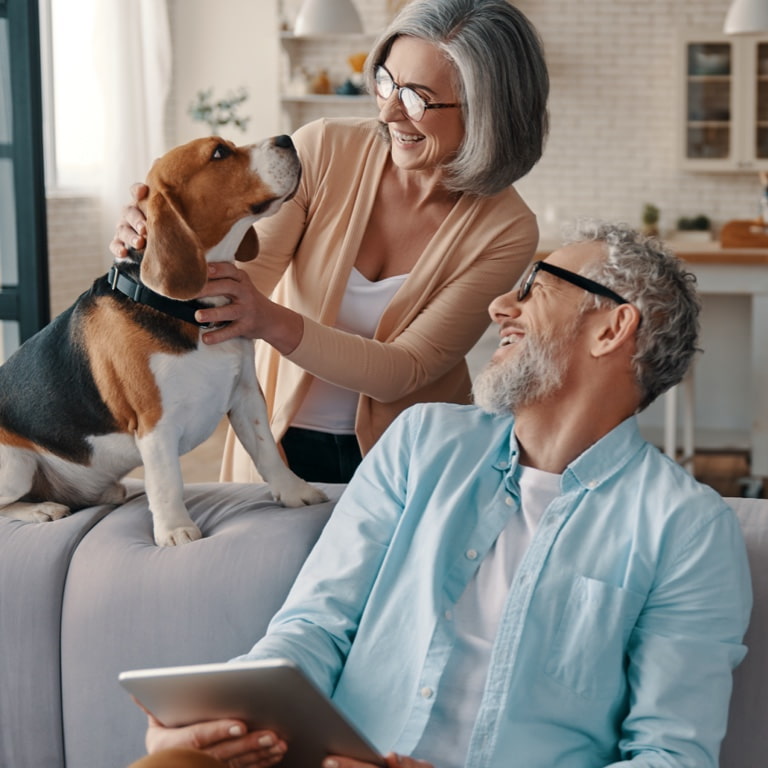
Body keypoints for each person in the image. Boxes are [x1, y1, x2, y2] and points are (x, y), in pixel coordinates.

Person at [133, 220, 752, 768]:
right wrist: (213, 723)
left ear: (613, 327)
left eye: (534, 286)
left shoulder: (687, 527)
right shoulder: (421, 442)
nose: (500, 306)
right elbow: (316, 626)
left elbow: (670, 755)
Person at [110, 0, 549, 483]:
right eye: (386, 82)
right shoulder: (322, 149)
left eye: (418, 97)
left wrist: (270, 319)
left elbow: (405, 369)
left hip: (410, 460)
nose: (388, 111)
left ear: (487, 112)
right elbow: (232, 285)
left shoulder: (507, 229)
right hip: (277, 440)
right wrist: (160, 238)